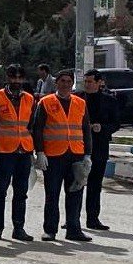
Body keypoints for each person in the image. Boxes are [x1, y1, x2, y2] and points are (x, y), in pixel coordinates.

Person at [33, 69, 93, 242]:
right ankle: (50, 230)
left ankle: (74, 229)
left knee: (75, 193)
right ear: (56, 83)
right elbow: (38, 129)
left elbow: (86, 129)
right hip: (53, 156)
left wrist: (87, 154)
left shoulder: (80, 103)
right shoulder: (45, 102)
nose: (66, 84)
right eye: (63, 81)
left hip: (75, 155)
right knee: (52, 194)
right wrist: (40, 152)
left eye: (69, 81)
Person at [0, 64, 36, 241]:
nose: (17, 81)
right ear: (7, 77)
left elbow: (32, 126)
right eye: (13, 77)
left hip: (24, 151)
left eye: (20, 78)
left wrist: (35, 151)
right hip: (3, 151)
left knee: (21, 192)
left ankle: (18, 228)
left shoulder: (29, 99)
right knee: (1, 191)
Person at [76, 69, 120, 231]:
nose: (87, 84)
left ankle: (93, 219)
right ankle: (73, 219)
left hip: (99, 146)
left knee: (95, 184)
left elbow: (116, 123)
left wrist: (102, 128)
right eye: (85, 81)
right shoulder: (77, 98)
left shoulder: (109, 100)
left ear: (99, 82)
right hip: (78, 146)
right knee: (76, 183)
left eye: (90, 82)